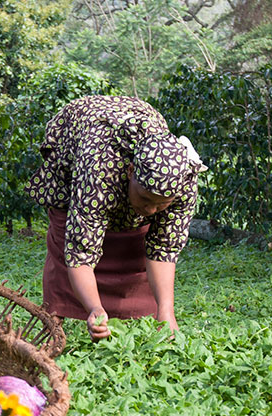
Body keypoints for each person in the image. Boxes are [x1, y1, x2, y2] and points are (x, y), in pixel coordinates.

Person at [27, 95, 205, 339]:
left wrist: (167, 311)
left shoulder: (182, 180)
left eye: (161, 204)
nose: (151, 211)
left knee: (136, 248)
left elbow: (163, 248)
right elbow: (80, 252)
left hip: (137, 124)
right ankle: (55, 323)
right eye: (145, 199)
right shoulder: (99, 170)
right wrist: (94, 308)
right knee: (65, 239)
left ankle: (149, 313)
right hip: (83, 128)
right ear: (130, 171)